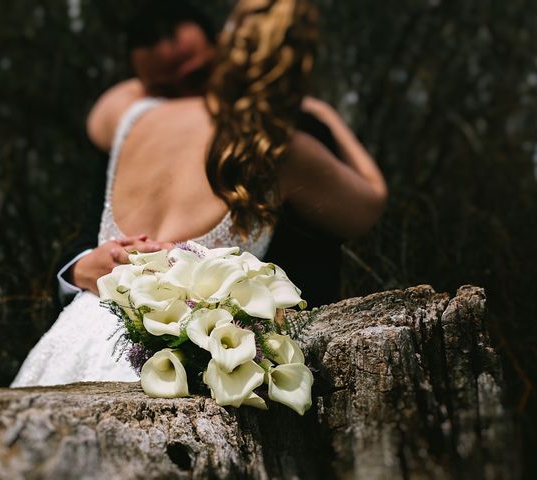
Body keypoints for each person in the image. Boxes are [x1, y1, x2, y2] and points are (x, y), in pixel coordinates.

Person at [12, 0, 386, 387]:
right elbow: (371, 201)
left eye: (192, 74)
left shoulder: (129, 119)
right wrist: (325, 113)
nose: (179, 90)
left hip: (98, 350)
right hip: (173, 367)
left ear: (222, 48)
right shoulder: (282, 149)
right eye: (163, 84)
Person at [57, 0, 359, 309]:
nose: (187, 97)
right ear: (144, 87)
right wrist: (80, 267)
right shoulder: (135, 130)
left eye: (197, 76)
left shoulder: (289, 135)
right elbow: (87, 229)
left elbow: (318, 260)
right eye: (166, 90)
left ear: (223, 53)